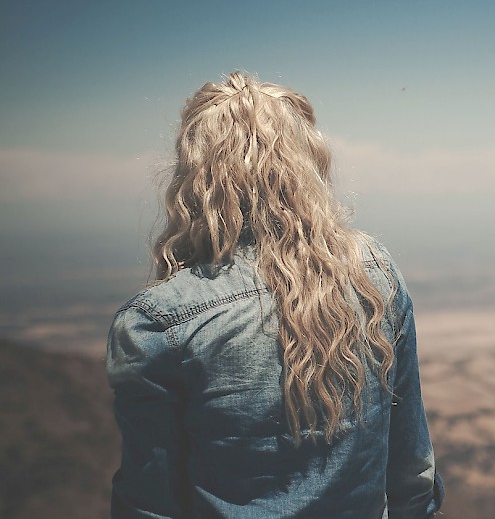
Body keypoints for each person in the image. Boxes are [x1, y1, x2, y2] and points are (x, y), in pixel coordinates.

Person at [106, 71, 444, 518]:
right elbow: (411, 466)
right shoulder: (374, 274)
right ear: (306, 164)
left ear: (194, 177)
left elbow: (150, 504)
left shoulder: (159, 323)